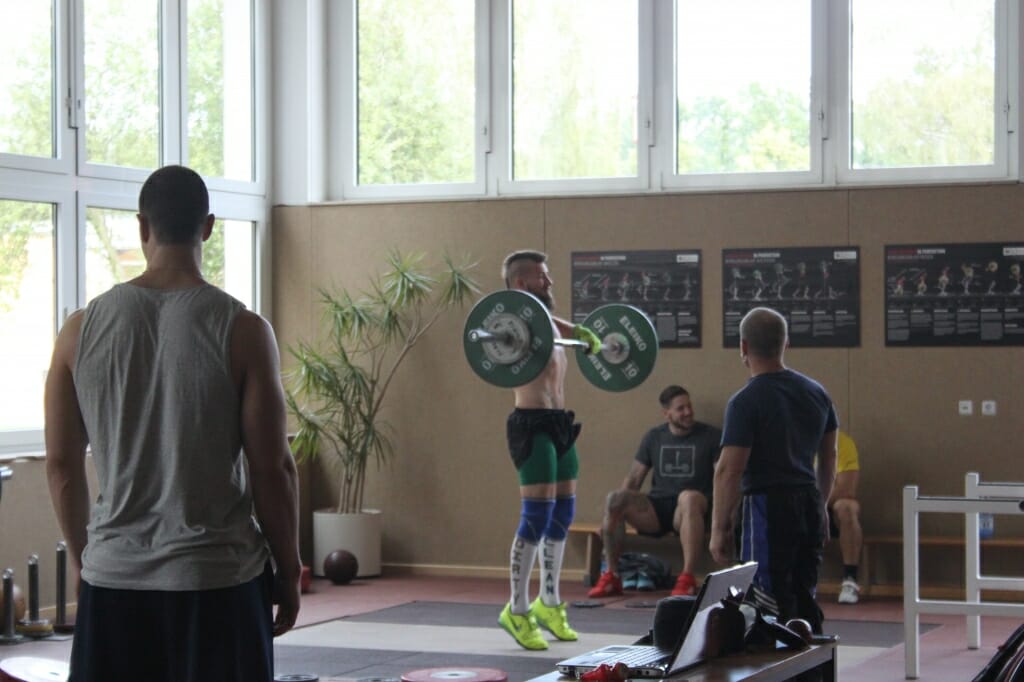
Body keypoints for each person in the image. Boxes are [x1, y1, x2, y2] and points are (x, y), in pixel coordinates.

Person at [44, 165, 301, 682]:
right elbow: (272, 468)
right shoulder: (245, 330)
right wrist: (290, 570)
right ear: (208, 227)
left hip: (115, 580)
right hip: (219, 582)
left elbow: (61, 466)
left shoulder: (78, 331)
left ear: (143, 227)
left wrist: (83, 558)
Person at [709, 307, 837, 635]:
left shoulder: (746, 401)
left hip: (767, 506)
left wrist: (719, 529)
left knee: (766, 602)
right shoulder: (816, 392)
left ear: (743, 347)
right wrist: (822, 505)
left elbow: (728, 471)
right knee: (804, 595)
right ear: (786, 344)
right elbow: (829, 453)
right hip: (808, 500)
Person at [498, 250, 602, 651]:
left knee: (563, 514)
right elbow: (506, 327)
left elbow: (550, 322)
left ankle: (550, 603)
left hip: (559, 423)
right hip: (531, 425)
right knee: (536, 516)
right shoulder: (513, 324)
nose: (551, 282)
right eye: (543, 277)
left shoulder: (545, 323)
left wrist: (580, 329)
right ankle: (518, 609)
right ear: (523, 283)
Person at [588, 385, 721, 598]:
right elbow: (633, 480)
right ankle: (612, 576)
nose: (688, 412)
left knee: (688, 497)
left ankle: (687, 578)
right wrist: (609, 519)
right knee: (614, 499)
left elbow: (722, 479)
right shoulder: (654, 437)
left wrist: (722, 520)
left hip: (692, 509)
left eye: (689, 406)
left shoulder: (711, 437)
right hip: (656, 509)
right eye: (680, 409)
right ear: (667, 413)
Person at [831, 430, 863, 604]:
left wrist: (816, 503)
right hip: (800, 503)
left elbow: (846, 488)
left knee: (847, 508)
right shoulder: (791, 440)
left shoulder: (842, 443)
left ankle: (850, 578)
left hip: (828, 502)